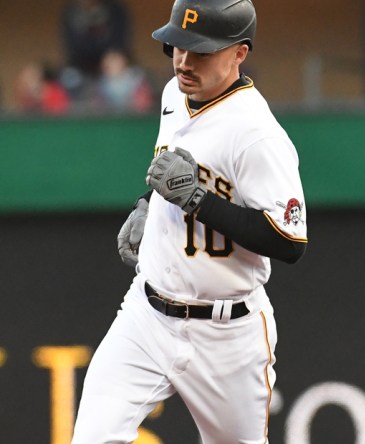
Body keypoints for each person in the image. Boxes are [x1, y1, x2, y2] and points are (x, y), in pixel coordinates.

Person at [71, 0, 308, 442]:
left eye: (201, 50)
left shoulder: (258, 135)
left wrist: (198, 200)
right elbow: (172, 172)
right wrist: (147, 204)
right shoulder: (173, 95)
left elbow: (289, 241)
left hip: (228, 334)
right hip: (147, 314)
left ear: (240, 52)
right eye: (178, 46)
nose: (183, 60)